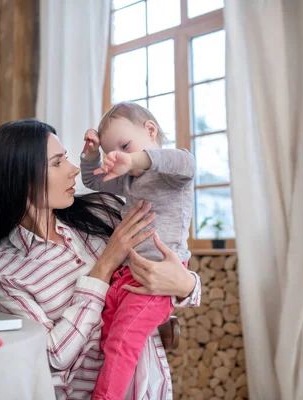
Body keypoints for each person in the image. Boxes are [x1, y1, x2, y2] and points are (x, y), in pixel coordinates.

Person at [0, 119, 201, 400]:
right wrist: (104, 266)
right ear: (23, 178)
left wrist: (186, 285)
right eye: (58, 163)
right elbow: (53, 355)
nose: (74, 169)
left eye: (67, 157)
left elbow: (171, 273)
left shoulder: (104, 210)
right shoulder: (3, 268)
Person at [80, 102, 195, 399]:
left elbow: (187, 163)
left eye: (125, 145)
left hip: (158, 277)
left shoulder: (170, 172)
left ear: (151, 130)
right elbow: (93, 180)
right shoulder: (130, 180)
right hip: (128, 274)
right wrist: (93, 154)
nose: (118, 156)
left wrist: (135, 160)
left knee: (122, 342)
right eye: (112, 152)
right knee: (106, 338)